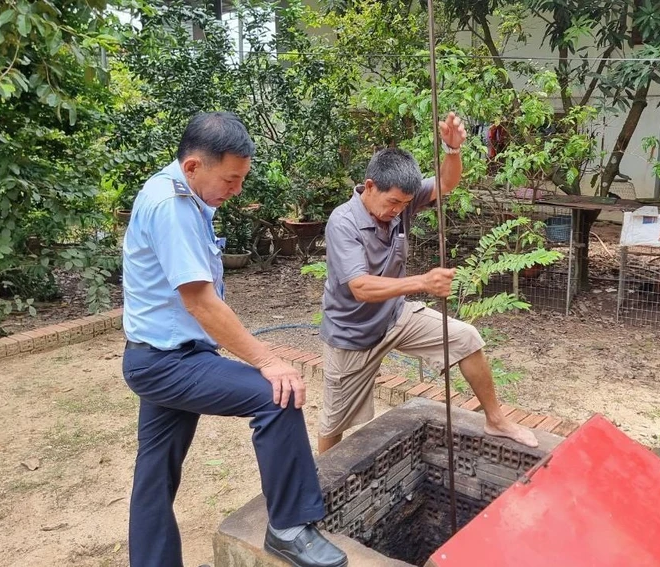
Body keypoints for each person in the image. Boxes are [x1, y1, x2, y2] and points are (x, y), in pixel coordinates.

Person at [121, 111, 347, 567]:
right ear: (193, 167)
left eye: (241, 179)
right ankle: (288, 527)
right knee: (276, 395)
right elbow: (200, 302)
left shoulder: (176, 193)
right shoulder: (172, 206)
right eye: (231, 178)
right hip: (168, 363)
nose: (236, 189)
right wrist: (267, 359)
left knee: (154, 477)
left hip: (156, 356)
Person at [317, 111, 539, 454]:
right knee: (334, 423)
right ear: (370, 186)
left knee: (466, 337)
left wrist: (452, 151)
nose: (398, 210)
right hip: (352, 334)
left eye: (405, 204)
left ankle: (496, 419)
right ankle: (324, 482)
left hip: (395, 317)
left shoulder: (401, 197)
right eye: (393, 203)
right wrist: (423, 281)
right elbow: (360, 287)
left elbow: (447, 183)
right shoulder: (342, 223)